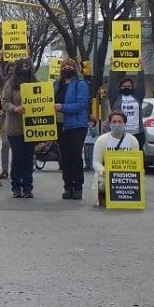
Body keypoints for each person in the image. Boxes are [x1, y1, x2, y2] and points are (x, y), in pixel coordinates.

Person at [1, 57, 39, 198]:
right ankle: (16, 186)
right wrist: (15, 108)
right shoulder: (10, 84)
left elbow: (45, 98)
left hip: (32, 128)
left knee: (28, 158)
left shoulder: (36, 83)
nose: (25, 68)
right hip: (15, 128)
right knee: (17, 157)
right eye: (22, 66)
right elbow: (4, 103)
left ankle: (28, 187)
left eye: (27, 65)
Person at [55, 58, 90, 200]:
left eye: (70, 66)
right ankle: (67, 186)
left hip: (76, 125)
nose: (66, 69)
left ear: (75, 69)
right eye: (64, 66)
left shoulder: (80, 85)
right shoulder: (56, 85)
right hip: (60, 125)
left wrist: (63, 107)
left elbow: (81, 104)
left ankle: (78, 187)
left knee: (75, 156)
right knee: (65, 157)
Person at [92, 110, 141, 207]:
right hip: (106, 175)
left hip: (127, 177)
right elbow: (96, 162)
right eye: (114, 122)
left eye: (120, 122)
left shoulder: (133, 141)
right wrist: (103, 170)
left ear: (125, 124)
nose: (117, 124)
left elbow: (137, 162)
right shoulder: (101, 140)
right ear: (110, 124)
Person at [108, 58, 146, 148]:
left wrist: (141, 69)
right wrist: (111, 68)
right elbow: (111, 85)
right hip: (119, 133)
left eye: (129, 86)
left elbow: (141, 84)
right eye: (124, 86)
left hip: (137, 133)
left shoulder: (137, 96)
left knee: (136, 159)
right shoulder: (115, 97)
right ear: (120, 87)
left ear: (132, 87)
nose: (126, 87)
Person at [0, 56, 14, 180]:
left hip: (21, 115)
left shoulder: (25, 81)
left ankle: (19, 168)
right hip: (6, 116)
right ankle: (5, 170)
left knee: (19, 145)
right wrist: (0, 59)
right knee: (5, 144)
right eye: (9, 69)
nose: (12, 71)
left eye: (14, 68)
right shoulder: (3, 82)